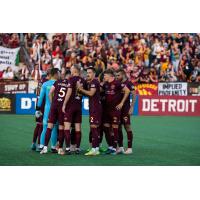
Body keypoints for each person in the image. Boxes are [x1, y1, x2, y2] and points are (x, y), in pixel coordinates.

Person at [40, 70, 71, 154]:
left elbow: (50, 93)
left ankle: (45, 148)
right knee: (61, 128)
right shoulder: (69, 83)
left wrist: (52, 102)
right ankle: (60, 148)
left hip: (54, 106)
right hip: (61, 107)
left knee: (49, 127)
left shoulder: (57, 82)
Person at [102, 69, 130, 155]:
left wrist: (121, 103)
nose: (104, 77)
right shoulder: (105, 84)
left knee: (115, 128)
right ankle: (111, 146)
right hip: (107, 110)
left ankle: (115, 148)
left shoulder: (117, 83)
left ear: (110, 76)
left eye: (105, 75)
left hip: (115, 110)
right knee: (106, 128)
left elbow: (127, 91)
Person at [77, 67, 102, 156]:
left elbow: (91, 93)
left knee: (94, 127)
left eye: (90, 72)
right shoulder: (91, 82)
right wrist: (81, 92)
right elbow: (89, 95)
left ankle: (94, 149)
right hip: (93, 108)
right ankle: (96, 148)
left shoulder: (94, 82)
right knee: (94, 128)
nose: (88, 74)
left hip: (95, 108)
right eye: (87, 72)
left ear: (94, 73)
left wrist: (80, 89)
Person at [62, 64, 86, 154]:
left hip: (70, 106)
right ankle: (77, 148)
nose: (70, 71)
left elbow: (69, 92)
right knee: (78, 128)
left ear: (75, 70)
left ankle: (68, 148)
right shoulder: (83, 80)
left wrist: (64, 104)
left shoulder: (71, 80)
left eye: (71, 69)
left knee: (67, 128)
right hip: (78, 106)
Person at [37, 68, 60, 153]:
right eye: (59, 73)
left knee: (45, 127)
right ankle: (53, 147)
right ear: (56, 74)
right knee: (54, 128)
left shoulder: (45, 84)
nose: (60, 74)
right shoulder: (59, 84)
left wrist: (38, 109)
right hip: (56, 109)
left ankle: (42, 146)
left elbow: (41, 98)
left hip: (47, 109)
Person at [116, 69, 135, 154]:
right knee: (118, 127)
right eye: (116, 75)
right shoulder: (118, 83)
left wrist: (131, 107)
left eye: (118, 75)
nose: (117, 77)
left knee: (127, 126)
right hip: (118, 109)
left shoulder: (129, 83)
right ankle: (120, 147)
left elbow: (134, 95)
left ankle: (130, 148)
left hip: (126, 108)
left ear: (123, 75)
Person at [31, 70, 51, 150]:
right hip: (43, 104)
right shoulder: (47, 82)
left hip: (38, 104)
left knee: (38, 124)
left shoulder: (40, 82)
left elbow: (37, 93)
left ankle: (33, 143)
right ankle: (40, 144)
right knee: (42, 126)